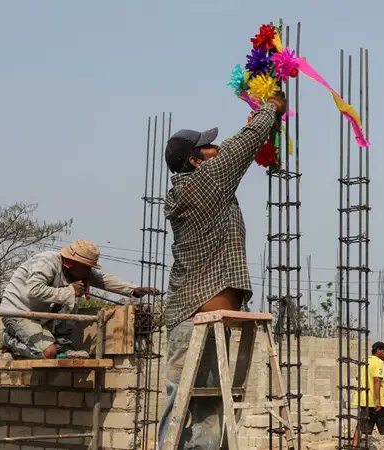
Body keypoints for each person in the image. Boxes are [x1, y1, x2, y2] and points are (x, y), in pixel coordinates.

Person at [157, 93, 288, 449]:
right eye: (208, 146)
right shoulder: (205, 182)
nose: (215, 148)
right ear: (196, 161)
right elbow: (241, 145)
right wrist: (270, 108)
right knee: (192, 415)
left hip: (203, 319)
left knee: (203, 413)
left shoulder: (203, 185)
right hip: (195, 318)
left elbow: (236, 147)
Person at [0, 239, 158, 359]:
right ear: (72, 263)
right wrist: (69, 290)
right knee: (48, 353)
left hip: (40, 314)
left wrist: (133, 290)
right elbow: (34, 290)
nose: (89, 271)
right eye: (87, 267)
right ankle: (6, 338)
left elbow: (103, 280)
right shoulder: (46, 262)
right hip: (18, 313)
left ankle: (63, 344)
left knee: (71, 297)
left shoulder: (78, 270)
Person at [352, 341, 384, 450]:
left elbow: (358, 378)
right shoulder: (378, 362)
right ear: (378, 350)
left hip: (364, 401)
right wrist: (377, 400)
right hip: (377, 403)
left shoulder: (364, 362)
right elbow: (377, 379)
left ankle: (352, 448)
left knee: (360, 428)